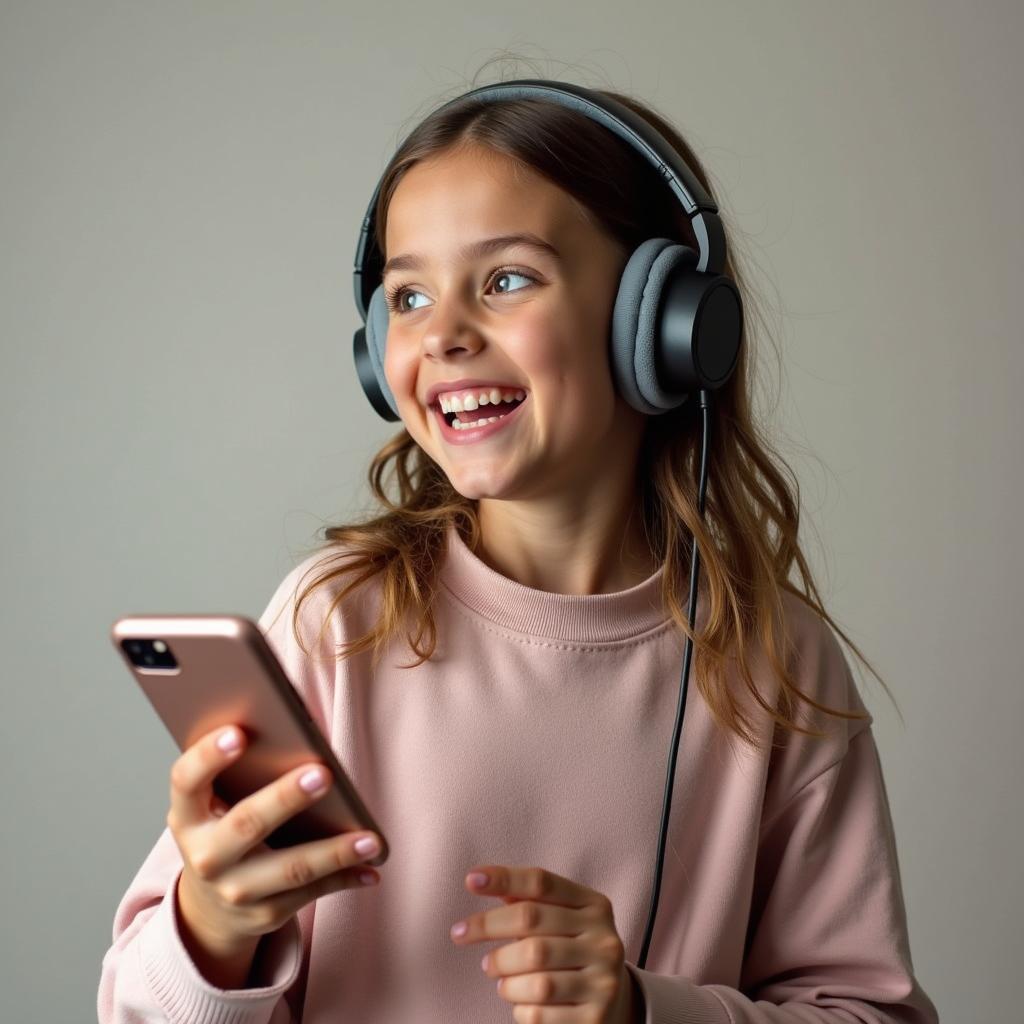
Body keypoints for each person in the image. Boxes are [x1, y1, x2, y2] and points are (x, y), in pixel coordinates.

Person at [98, 80, 941, 1023]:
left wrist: (644, 1010)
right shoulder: (339, 623)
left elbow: (874, 1014)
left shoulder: (773, 660)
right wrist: (212, 927)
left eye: (505, 280)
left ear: (657, 324)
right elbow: (140, 1008)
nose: (445, 336)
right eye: (408, 296)